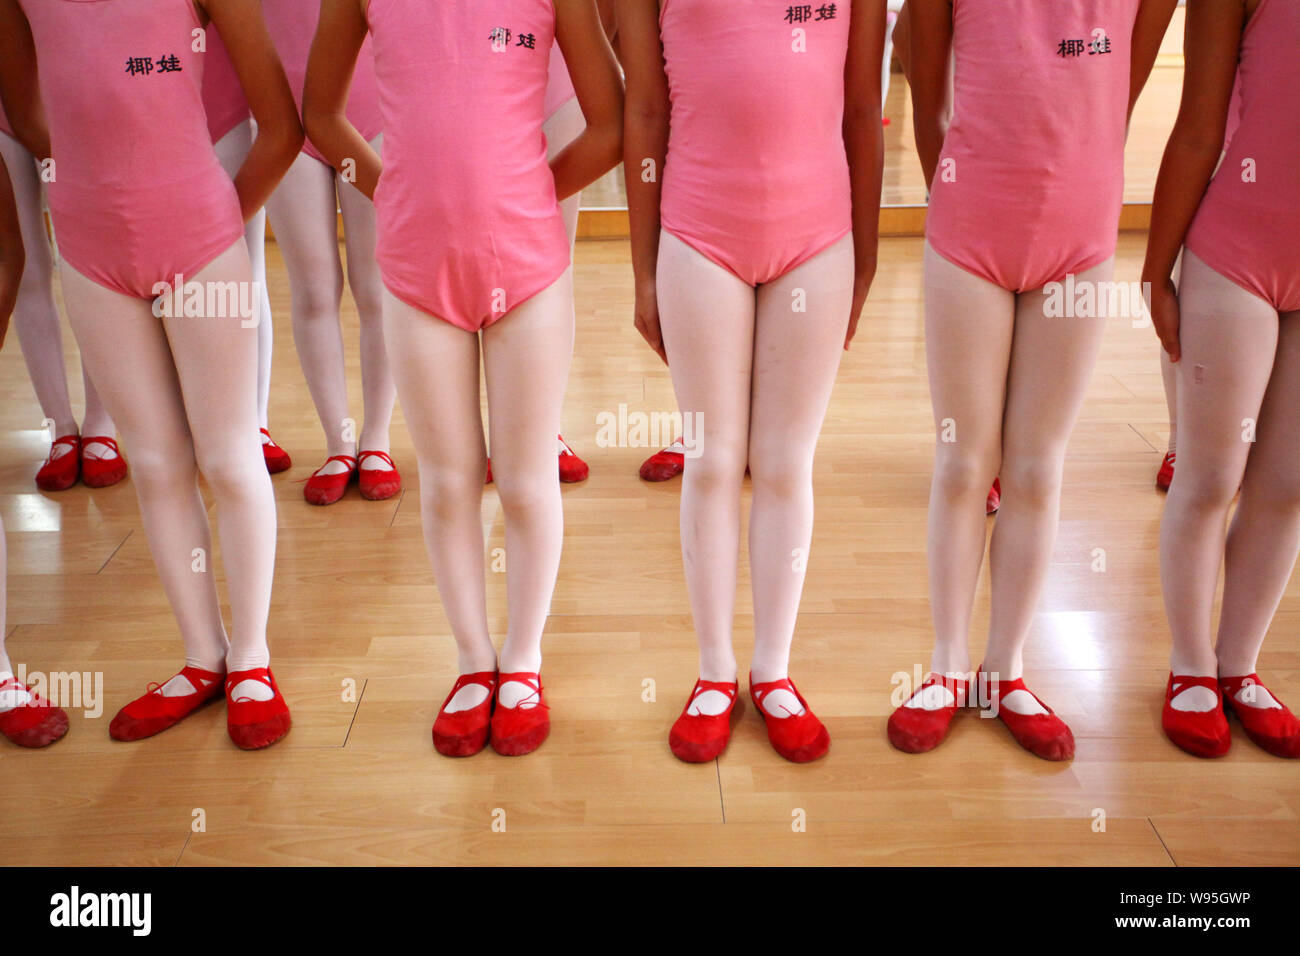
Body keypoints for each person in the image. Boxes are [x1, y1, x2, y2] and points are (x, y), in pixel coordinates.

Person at [305, 0, 623, 757]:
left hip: (528, 264)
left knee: (525, 478)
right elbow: (319, 115)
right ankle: (473, 660)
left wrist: (534, 192)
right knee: (448, 482)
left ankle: (523, 659)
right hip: (417, 267)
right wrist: (389, 189)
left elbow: (612, 124)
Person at [0, 0, 303, 750]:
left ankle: (252, 659)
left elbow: (282, 127)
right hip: (89, 248)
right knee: (158, 465)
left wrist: (212, 223)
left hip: (197, 235)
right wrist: (88, 176)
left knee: (228, 456)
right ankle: (203, 657)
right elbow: (25, 109)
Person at [887, 0, 1176, 761]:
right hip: (971, 231)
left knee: (1037, 468)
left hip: (1078, 237)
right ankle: (948, 665)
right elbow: (923, 76)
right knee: (963, 461)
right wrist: (956, 191)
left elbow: (1118, 99)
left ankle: (1005, 669)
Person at [621, 0, 887, 763]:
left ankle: (772, 669)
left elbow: (862, 109)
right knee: (711, 461)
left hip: (817, 237)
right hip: (699, 233)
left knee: (783, 463)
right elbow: (645, 111)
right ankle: (714, 672)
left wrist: (865, 258)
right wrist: (644, 269)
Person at [1145, 0, 1299, 759]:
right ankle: (1190, 665)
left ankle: (1239, 665)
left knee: (1288, 484)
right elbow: (1198, 129)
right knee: (1210, 477)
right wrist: (1155, 271)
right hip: (1237, 252)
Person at [263, 0, 399, 506]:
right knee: (314, 289)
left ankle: (377, 439)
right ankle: (339, 443)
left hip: (375, 109)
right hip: (284, 115)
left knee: (376, 287)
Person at [0, 102, 126, 492]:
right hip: (6, 117)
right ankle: (60, 430)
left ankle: (101, 426)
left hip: (77, 108)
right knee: (27, 271)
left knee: (91, 267)